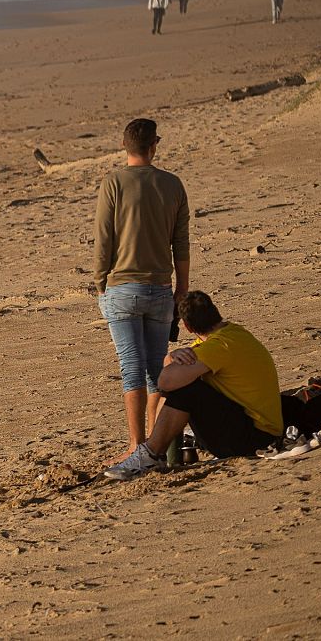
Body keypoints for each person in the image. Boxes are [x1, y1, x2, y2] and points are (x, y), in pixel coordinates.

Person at [105, 292, 283, 479]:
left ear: (188, 327)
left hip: (256, 440)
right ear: (215, 312)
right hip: (260, 431)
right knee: (184, 381)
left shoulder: (218, 346)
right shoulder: (233, 334)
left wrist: (171, 360)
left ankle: (151, 453)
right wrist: (171, 357)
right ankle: (155, 450)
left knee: (184, 389)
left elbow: (164, 382)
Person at [94, 119, 190, 464]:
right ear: (154, 146)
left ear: (125, 147)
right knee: (155, 370)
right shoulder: (173, 184)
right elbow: (181, 243)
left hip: (121, 288)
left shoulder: (114, 182)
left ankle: (137, 445)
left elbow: (104, 238)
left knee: (131, 367)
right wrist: (183, 286)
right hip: (161, 289)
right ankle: (156, 443)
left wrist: (99, 282)